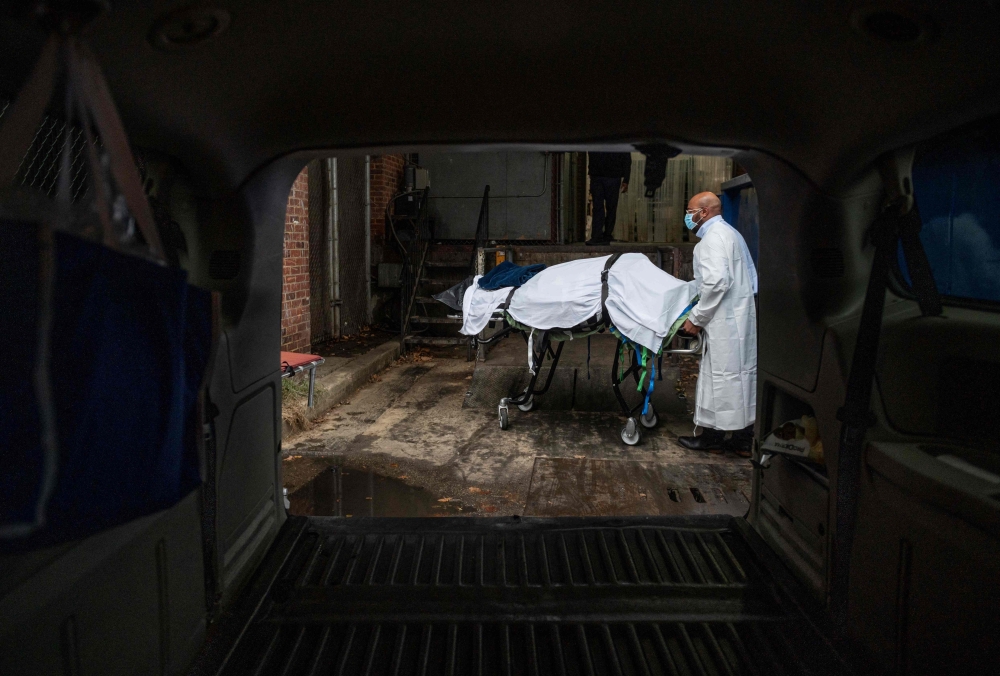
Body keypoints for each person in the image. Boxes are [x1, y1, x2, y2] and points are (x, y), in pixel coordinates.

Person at [677, 191, 758, 457]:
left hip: (723, 320)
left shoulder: (711, 241)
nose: (687, 218)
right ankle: (740, 438)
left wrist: (696, 319)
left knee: (722, 379)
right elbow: (749, 277)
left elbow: (715, 283)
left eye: (690, 212)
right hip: (738, 317)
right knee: (738, 378)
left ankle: (717, 437)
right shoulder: (732, 234)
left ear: (705, 212)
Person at [587, 152, 631, 245]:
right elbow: (626, 157)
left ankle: (598, 236)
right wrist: (626, 179)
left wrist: (591, 170)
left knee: (600, 207)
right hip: (612, 175)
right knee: (610, 207)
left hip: (599, 175)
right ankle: (605, 235)